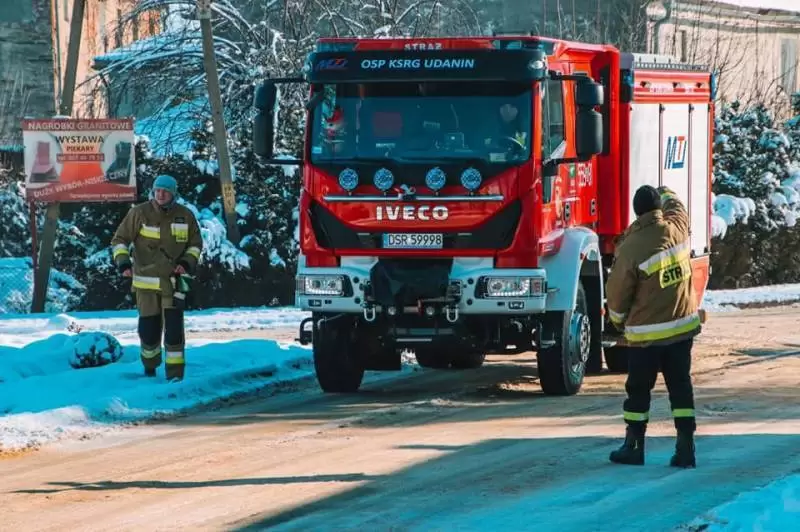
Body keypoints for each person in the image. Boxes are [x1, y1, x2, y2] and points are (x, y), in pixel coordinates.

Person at [605, 185, 702, 468]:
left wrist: (617, 322)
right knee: (680, 387)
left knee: (638, 391)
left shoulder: (631, 248)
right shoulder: (677, 228)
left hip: (646, 337)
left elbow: (617, 296)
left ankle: (634, 447)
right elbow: (678, 207)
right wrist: (665, 191)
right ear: (659, 208)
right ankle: (686, 448)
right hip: (682, 331)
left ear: (636, 211)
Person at [110, 175, 203, 381]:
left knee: (174, 330)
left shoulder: (185, 215)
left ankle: (175, 375)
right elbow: (119, 240)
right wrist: (123, 263)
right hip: (146, 283)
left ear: (173, 193)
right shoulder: (139, 213)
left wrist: (186, 263)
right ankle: (150, 368)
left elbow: (195, 244)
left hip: (175, 283)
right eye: (157, 190)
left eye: (165, 191)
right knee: (149, 330)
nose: (160, 194)